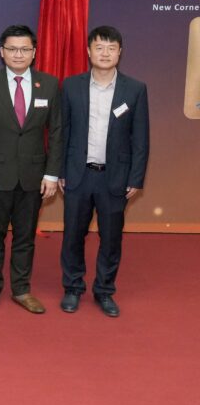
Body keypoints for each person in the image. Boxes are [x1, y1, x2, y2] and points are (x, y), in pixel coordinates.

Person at [59, 25, 149, 318]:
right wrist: (60, 170)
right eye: (99, 47)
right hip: (78, 174)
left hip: (115, 178)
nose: (105, 53)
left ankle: (104, 291)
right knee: (73, 235)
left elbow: (140, 138)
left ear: (120, 52)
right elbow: (63, 132)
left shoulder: (134, 89)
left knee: (111, 238)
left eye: (111, 48)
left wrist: (135, 177)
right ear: (89, 51)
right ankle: (73, 288)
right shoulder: (71, 86)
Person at [0, 25, 62, 314]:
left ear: (34, 52)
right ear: (2, 52)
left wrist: (51, 174)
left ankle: (22, 289)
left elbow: (57, 132)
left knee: (25, 236)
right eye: (12, 49)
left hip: (33, 176)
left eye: (24, 49)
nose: (18, 54)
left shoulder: (48, 84)